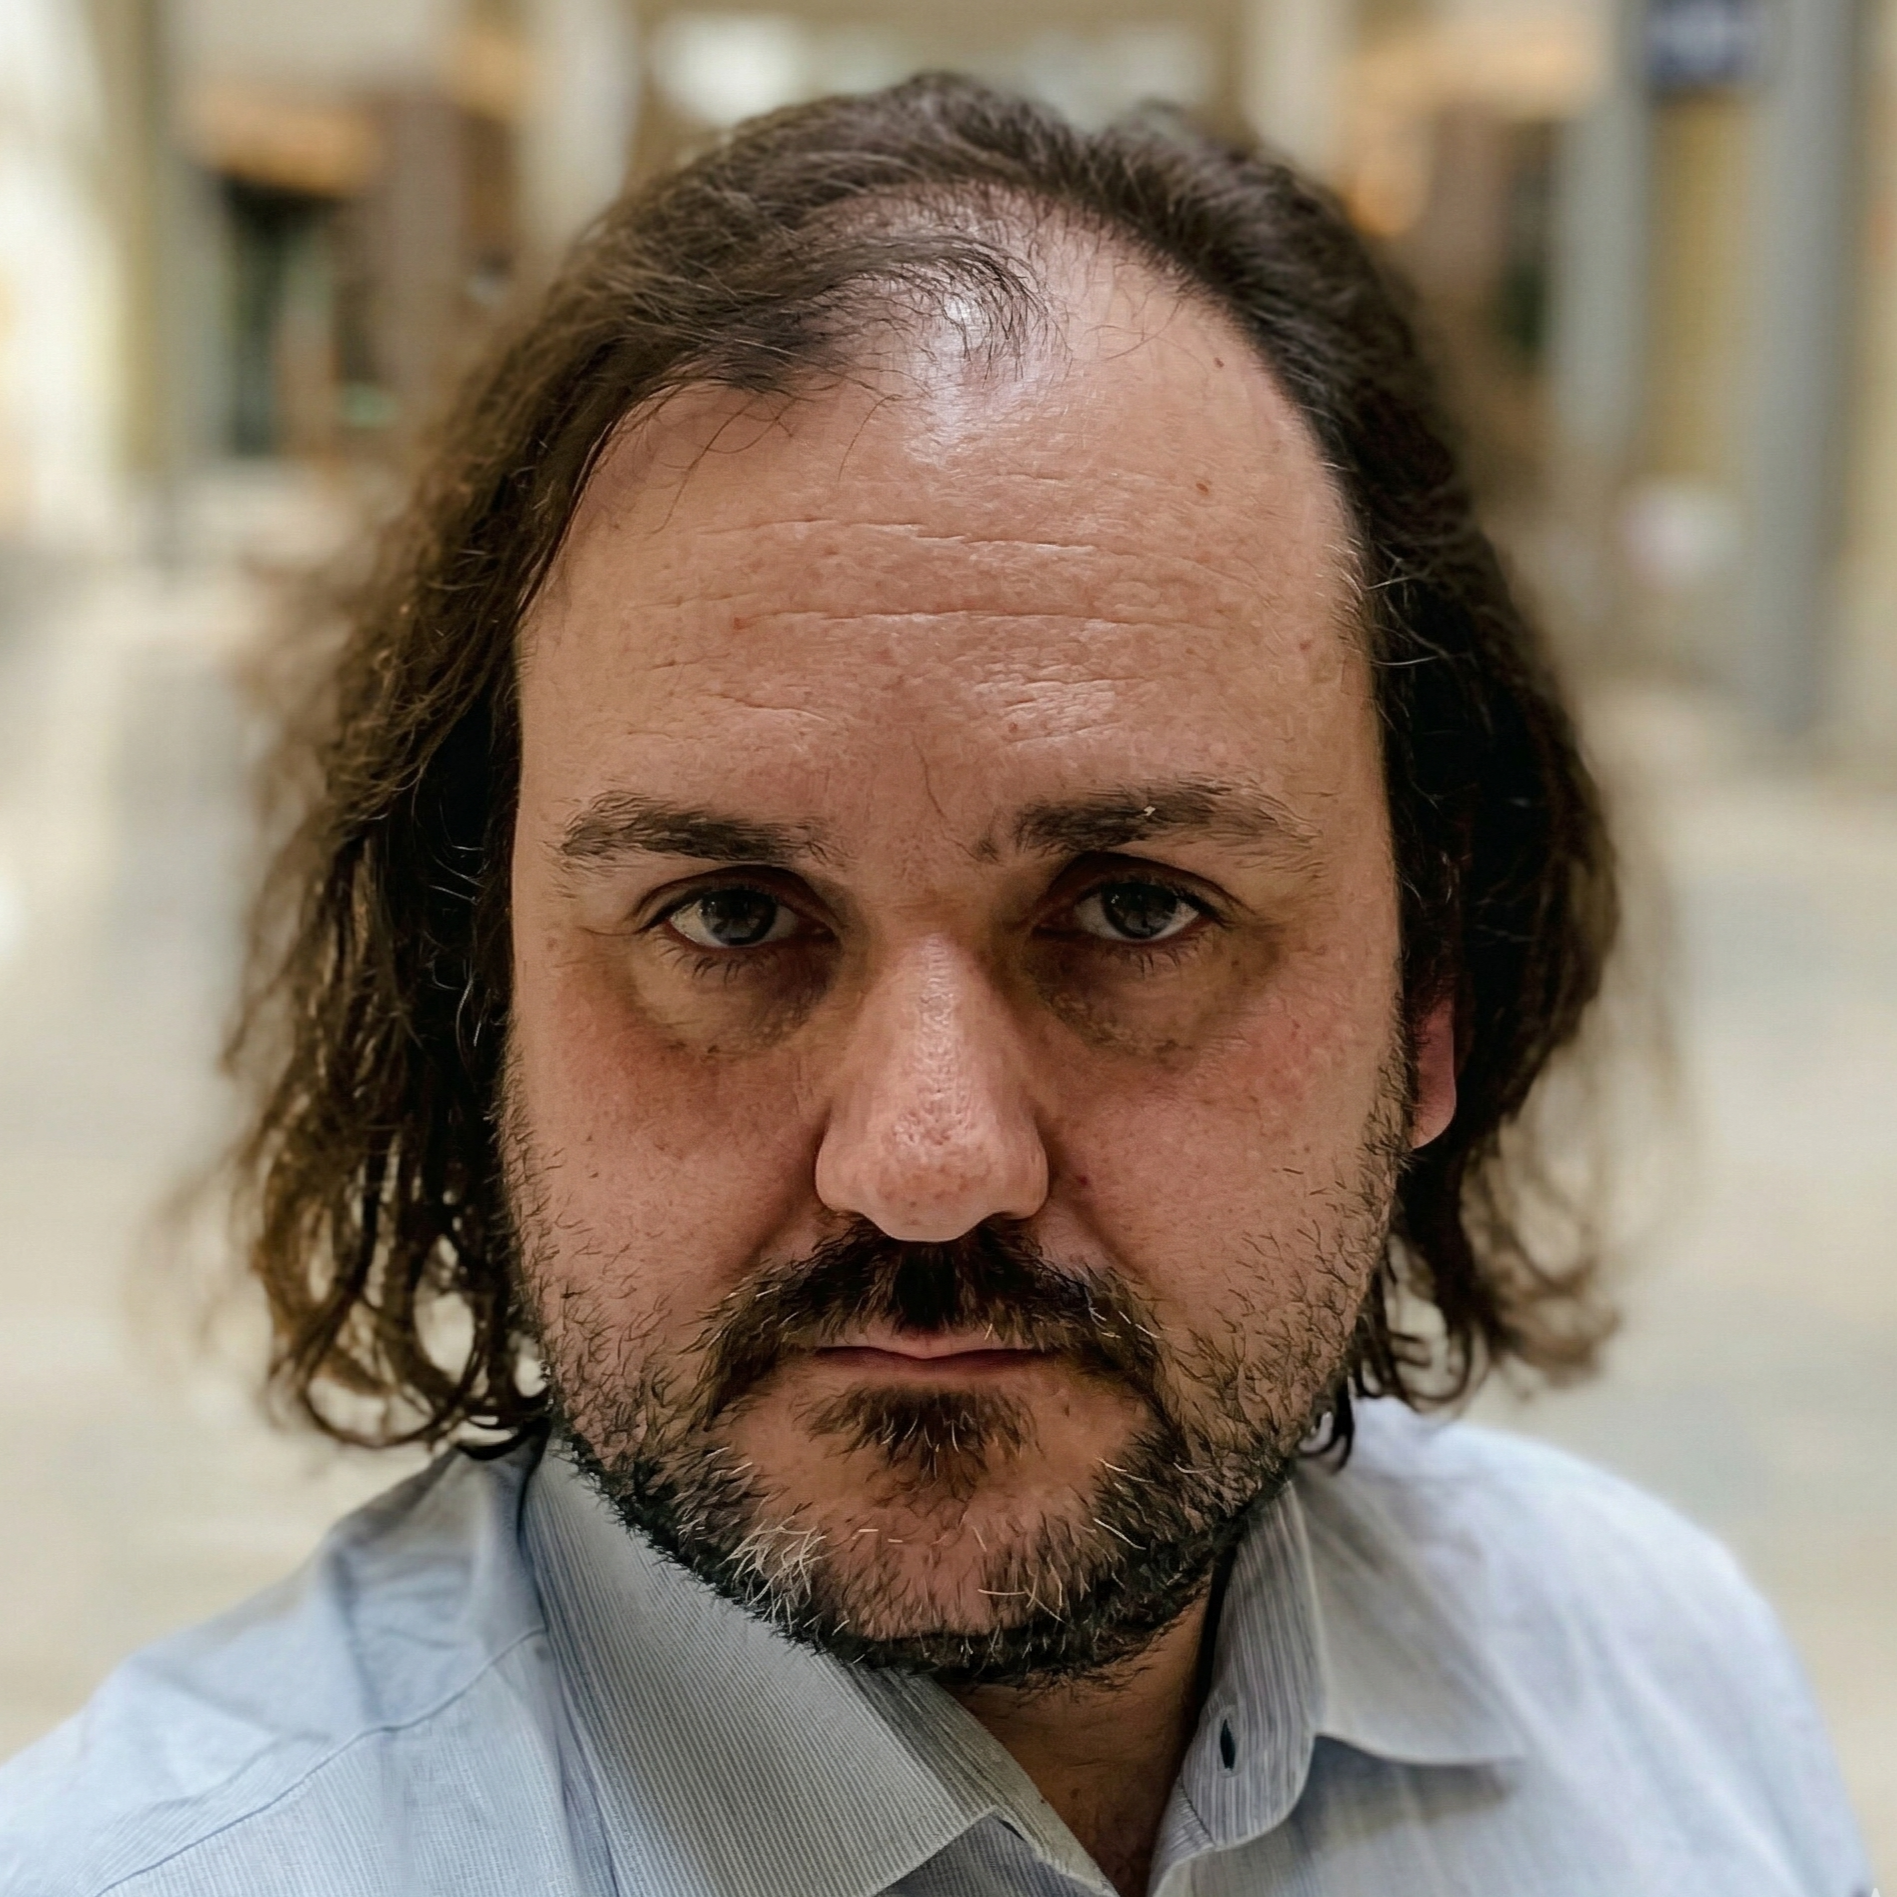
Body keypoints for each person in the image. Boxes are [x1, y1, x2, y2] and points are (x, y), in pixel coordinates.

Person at [0, 77, 1872, 1897]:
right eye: (728, 919)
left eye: (1137, 911)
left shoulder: (1669, 1700)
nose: (926, 1166)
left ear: (1431, 999)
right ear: (477, 998)